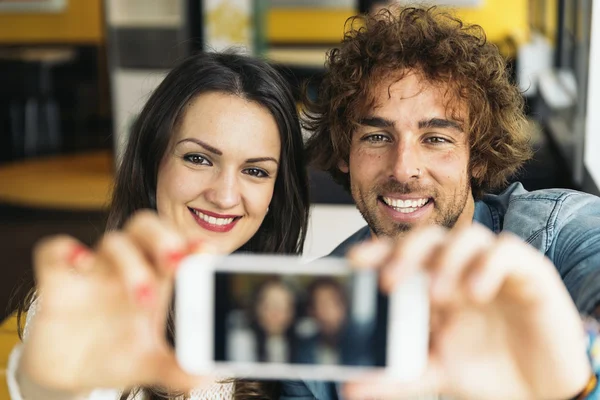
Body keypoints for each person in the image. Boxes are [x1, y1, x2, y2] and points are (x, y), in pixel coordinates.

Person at [278, 5, 600, 400]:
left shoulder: (560, 232)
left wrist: (574, 381)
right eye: (377, 137)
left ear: (478, 157)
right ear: (345, 151)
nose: (403, 169)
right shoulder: (312, 313)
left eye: (436, 138)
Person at [8, 51, 310, 400]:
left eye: (255, 171)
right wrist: (50, 389)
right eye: (198, 159)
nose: (225, 196)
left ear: (277, 191)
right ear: (153, 162)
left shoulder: (294, 314)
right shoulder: (89, 306)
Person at [227, 279, 297, 363]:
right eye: (268, 306)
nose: (275, 314)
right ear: (257, 308)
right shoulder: (242, 340)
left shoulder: (299, 344)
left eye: (282, 307)